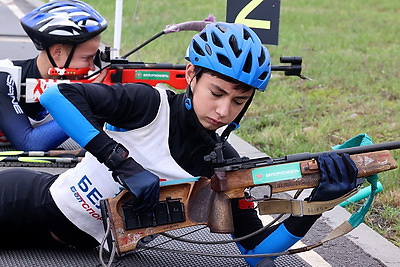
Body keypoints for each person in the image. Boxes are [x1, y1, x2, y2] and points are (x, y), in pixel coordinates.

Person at [0, 22, 358, 266]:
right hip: (25, 203)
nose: (223, 110)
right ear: (190, 76)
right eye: (216, 93)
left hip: (83, 249)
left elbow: (255, 254)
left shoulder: (222, 162)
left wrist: (317, 206)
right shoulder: (148, 105)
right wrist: (123, 163)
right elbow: (59, 97)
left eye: (238, 100)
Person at [0, 0, 107, 150]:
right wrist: (89, 102)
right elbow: (30, 144)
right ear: (58, 52)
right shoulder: (4, 77)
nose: (92, 66)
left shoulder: (62, 84)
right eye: (86, 58)